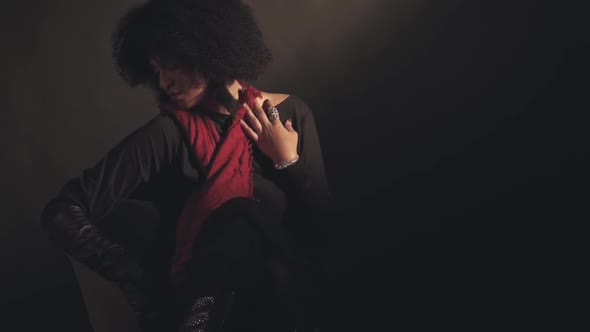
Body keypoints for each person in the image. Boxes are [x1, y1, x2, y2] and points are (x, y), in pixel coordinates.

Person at [40, 0, 337, 331]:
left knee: (253, 227)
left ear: (208, 50)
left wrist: (286, 159)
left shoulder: (291, 115)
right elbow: (62, 211)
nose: (164, 81)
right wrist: (132, 277)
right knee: (240, 215)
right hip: (208, 304)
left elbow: (322, 229)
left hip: (289, 297)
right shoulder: (169, 134)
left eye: (171, 64)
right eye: (156, 71)